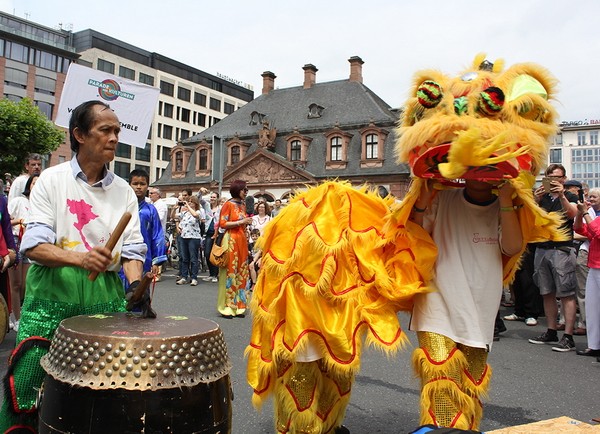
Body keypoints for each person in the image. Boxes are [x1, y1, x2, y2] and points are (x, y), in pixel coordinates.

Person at [0, 100, 146, 432]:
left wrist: (136, 285)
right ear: (79, 135)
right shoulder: (51, 180)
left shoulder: (124, 191)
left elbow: (133, 249)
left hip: (104, 294)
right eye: (105, 130)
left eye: (117, 131)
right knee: (29, 382)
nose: (113, 138)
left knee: (103, 385)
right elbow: (33, 245)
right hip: (53, 290)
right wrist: (81, 258)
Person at [410, 178, 523, 428]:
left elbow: (513, 246)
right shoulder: (443, 198)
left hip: (480, 305)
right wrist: (421, 205)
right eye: (474, 167)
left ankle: (466, 428)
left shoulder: (509, 205)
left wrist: (505, 201)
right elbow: (414, 238)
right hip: (436, 299)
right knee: (441, 373)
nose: (481, 174)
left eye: (489, 168)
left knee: (471, 380)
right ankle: (441, 429)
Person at [528, 164, 579, 351]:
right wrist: (535, 199)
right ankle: (551, 330)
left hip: (562, 249)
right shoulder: (542, 198)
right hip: (542, 248)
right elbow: (529, 218)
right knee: (546, 291)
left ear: (564, 179)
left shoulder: (572, 195)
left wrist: (563, 195)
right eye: (549, 177)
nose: (553, 181)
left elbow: (573, 213)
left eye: (557, 178)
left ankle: (568, 335)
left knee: (566, 293)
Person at [7, 174, 38, 332]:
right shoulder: (19, 201)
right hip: (15, 241)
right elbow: (6, 221)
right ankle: (17, 318)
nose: (37, 185)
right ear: (29, 185)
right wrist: (19, 221)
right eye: (34, 182)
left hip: (30, 244)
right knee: (16, 284)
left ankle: (22, 315)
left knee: (26, 285)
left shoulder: (40, 204)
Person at [216, 180, 251, 318]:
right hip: (230, 239)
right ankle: (227, 307)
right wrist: (241, 222)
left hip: (241, 239)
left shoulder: (243, 205)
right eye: (244, 190)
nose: (246, 193)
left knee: (242, 271)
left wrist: (245, 227)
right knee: (230, 271)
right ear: (238, 190)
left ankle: (239, 306)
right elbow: (222, 223)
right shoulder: (228, 204)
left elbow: (241, 223)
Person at [127, 169, 167, 279]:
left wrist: (156, 260)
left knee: (140, 292)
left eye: (142, 184)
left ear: (147, 186)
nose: (138, 187)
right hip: (122, 256)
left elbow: (157, 234)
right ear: (129, 185)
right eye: (135, 184)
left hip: (145, 257)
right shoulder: (121, 207)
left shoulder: (151, 210)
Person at [573, 194, 600, 357]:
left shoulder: (594, 217)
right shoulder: (596, 216)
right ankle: (594, 345)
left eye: (596, 197)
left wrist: (584, 213)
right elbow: (580, 229)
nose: (593, 199)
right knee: (592, 308)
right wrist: (579, 212)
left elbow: (597, 232)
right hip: (594, 266)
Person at [176, 195, 204, 286]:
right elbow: (174, 217)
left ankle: (194, 278)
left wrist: (187, 206)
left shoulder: (198, 211)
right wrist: (174, 208)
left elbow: (195, 215)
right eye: (189, 201)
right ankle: (184, 277)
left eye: (191, 202)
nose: (190, 203)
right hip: (184, 237)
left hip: (194, 237)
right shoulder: (185, 213)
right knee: (184, 258)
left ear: (195, 203)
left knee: (193, 258)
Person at [203, 191, 220, 283]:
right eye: (211, 197)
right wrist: (200, 192)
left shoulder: (220, 208)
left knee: (216, 254)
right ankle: (211, 273)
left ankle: (215, 274)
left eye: (214, 197)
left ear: (217, 198)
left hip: (218, 233)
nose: (212, 199)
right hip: (208, 233)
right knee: (207, 253)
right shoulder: (207, 206)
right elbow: (199, 199)